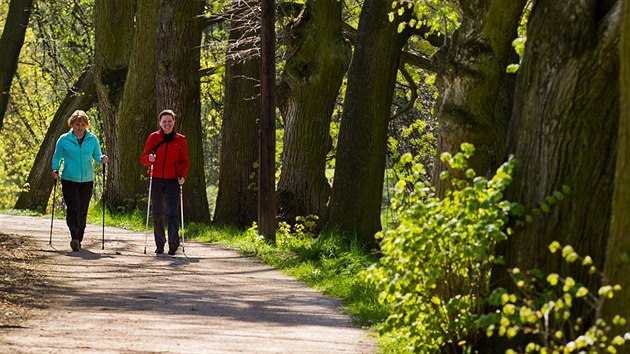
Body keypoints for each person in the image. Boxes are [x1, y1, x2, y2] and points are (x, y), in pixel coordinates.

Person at [52, 110, 108, 252]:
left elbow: (96, 155)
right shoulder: (64, 139)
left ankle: (79, 237)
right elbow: (57, 157)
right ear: (72, 124)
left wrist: (102, 158)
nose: (80, 127)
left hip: (87, 179)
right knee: (73, 207)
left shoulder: (92, 139)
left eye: (83, 124)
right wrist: (55, 169)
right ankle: (74, 236)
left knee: (83, 209)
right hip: (69, 178)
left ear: (86, 125)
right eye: (77, 124)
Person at [141, 109, 189, 255]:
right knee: (158, 212)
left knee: (172, 211)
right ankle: (160, 244)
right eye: (164, 121)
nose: (167, 124)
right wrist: (149, 159)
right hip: (155, 178)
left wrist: (182, 175)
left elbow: (184, 161)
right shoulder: (153, 137)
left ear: (174, 122)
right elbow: (143, 158)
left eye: (169, 121)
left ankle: (174, 243)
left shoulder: (180, 139)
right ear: (160, 123)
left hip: (173, 180)